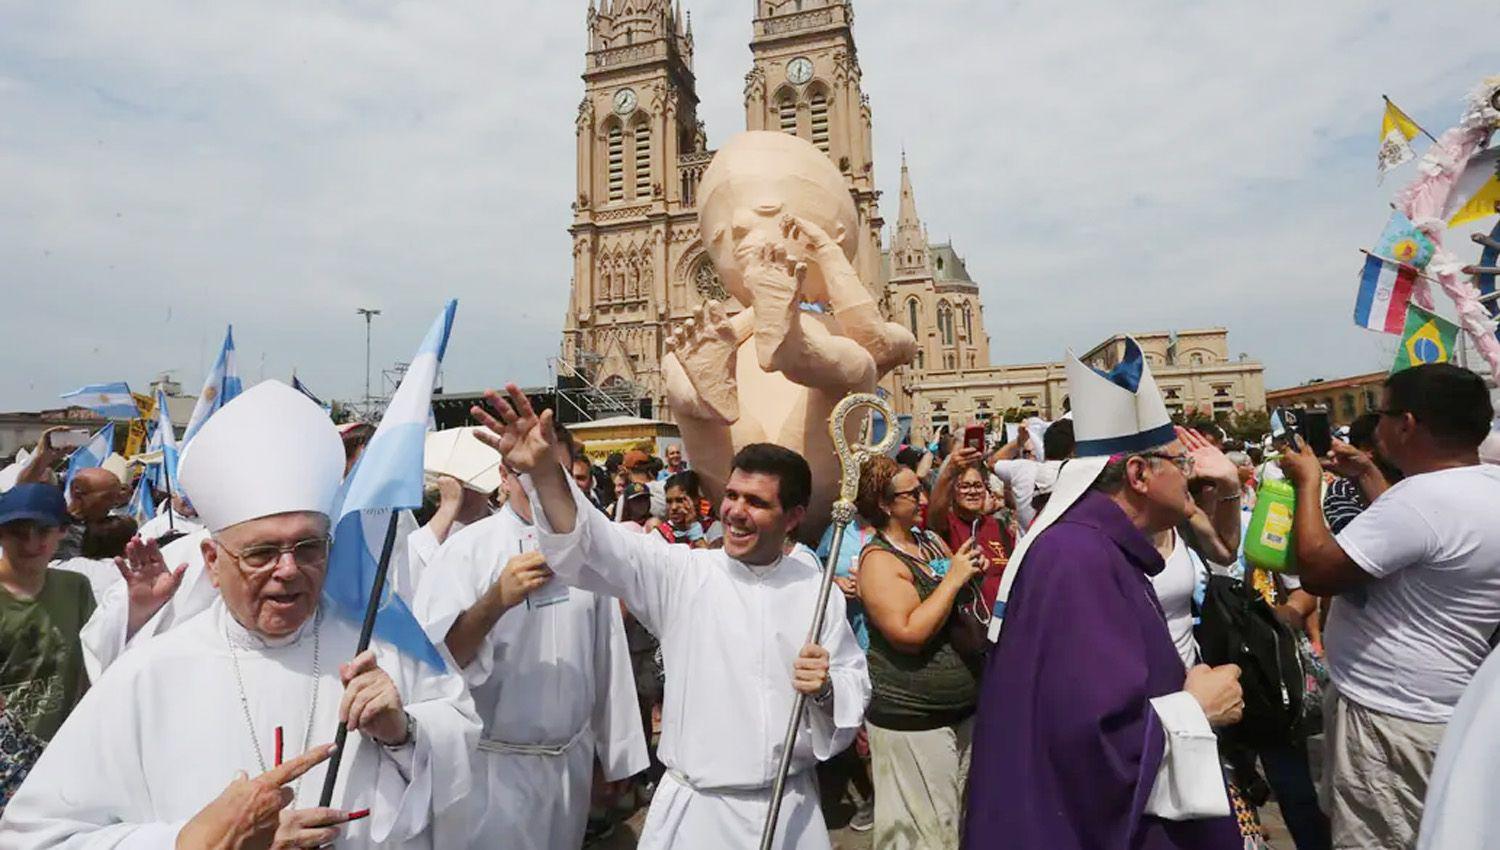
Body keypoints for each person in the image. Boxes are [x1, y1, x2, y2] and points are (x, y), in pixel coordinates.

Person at [0, 381, 481, 849]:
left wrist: (402, 734)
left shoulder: (381, 646)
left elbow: (466, 764)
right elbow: (38, 835)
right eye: (262, 553)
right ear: (212, 561)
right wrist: (192, 840)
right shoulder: (149, 674)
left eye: (308, 547)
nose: (288, 570)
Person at [472, 384, 869, 850]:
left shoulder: (815, 592)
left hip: (788, 810)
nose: (736, 512)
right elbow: (594, 541)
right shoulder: (684, 573)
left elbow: (853, 686)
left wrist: (824, 688)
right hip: (699, 815)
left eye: (757, 503)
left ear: (794, 515)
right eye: (733, 495)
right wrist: (544, 474)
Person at [965, 338, 1244, 849]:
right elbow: (1089, 740)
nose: (1191, 474)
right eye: (1179, 461)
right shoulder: (1077, 560)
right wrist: (1196, 708)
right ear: (1138, 474)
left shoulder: (1097, 549)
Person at [1278, 363, 1500, 850]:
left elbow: (1318, 570)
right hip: (1447, 706)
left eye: (1381, 415)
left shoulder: (1420, 500)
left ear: (1408, 424)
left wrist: (1308, 484)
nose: (1375, 427)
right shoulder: (1483, 487)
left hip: (1391, 720)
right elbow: (1418, 542)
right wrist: (1368, 473)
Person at [414, 457, 646, 850]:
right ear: (503, 477)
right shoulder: (465, 550)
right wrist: (494, 601)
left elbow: (608, 654)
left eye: (551, 472)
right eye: (527, 474)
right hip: (492, 772)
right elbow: (432, 664)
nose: (540, 484)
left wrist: (613, 754)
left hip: (568, 763)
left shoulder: (587, 548)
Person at [855, 454, 983, 849]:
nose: (923, 498)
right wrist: (953, 580)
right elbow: (907, 633)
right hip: (913, 721)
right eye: (912, 493)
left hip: (958, 713)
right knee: (920, 837)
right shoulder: (879, 560)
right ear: (884, 503)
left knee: (952, 826)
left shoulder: (927, 540)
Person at [0, 484, 95, 810]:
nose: (30, 543)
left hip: (63, 758)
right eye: (17, 532)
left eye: (42, 531)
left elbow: (95, 660)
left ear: (63, 532)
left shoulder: (77, 588)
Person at [927, 444, 1014, 608]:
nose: (972, 491)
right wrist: (949, 472)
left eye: (977, 485)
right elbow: (934, 512)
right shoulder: (946, 524)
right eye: (965, 486)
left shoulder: (998, 526)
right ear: (953, 492)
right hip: (969, 626)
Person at [989, 419, 1074, 530]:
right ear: (1073, 450)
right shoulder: (1081, 474)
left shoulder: (1022, 469)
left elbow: (992, 463)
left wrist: (1019, 441)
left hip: (1029, 545)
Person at [53, 467, 126, 561]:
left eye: (117, 497)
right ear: (78, 493)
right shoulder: (53, 529)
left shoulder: (110, 532)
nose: (114, 503)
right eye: (108, 497)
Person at [658, 471, 723, 548]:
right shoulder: (661, 533)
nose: (674, 507)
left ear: (695, 499)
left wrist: (695, 534)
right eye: (669, 501)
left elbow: (712, 559)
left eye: (680, 500)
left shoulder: (713, 528)